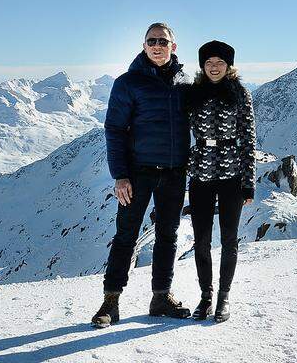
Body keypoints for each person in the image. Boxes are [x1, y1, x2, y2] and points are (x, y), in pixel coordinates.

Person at [91, 23, 192, 328]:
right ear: (144, 45)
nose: (157, 45)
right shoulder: (127, 83)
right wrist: (120, 176)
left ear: (173, 46)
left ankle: (161, 296)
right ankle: (111, 302)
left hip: (174, 173)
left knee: (167, 236)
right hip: (137, 174)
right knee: (126, 237)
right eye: (152, 41)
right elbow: (115, 129)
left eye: (163, 41)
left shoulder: (185, 83)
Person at [186, 40, 256, 322]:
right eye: (209, 63)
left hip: (231, 174)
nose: (214, 67)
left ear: (229, 66)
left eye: (220, 63)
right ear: (203, 67)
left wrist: (248, 181)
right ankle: (205, 297)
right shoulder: (194, 93)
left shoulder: (240, 93)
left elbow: (249, 138)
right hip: (201, 171)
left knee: (229, 239)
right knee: (201, 240)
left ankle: (223, 297)